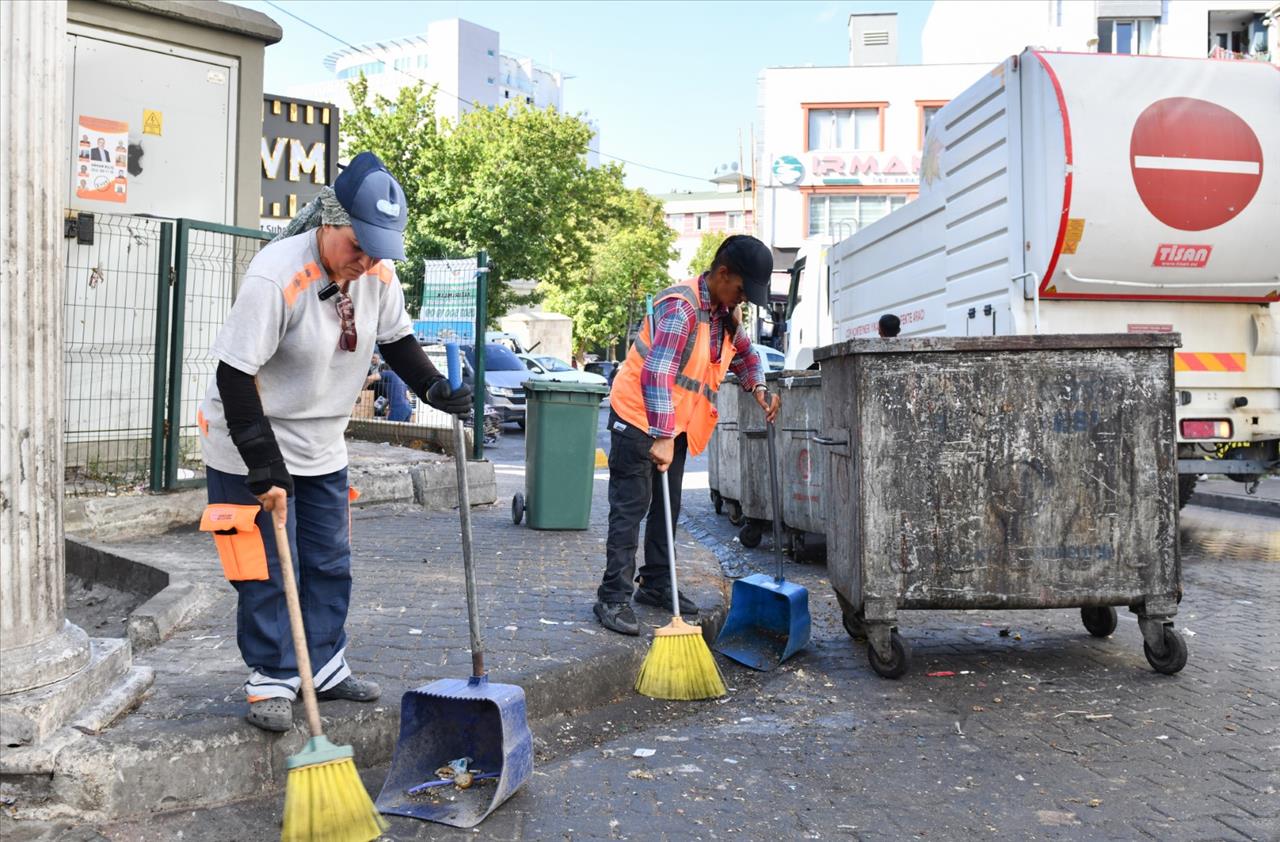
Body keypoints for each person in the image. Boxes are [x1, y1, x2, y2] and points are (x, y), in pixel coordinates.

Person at [197, 151, 473, 732]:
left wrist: (432, 387)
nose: (367, 259)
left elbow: (396, 340)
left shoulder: (375, 271)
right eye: (358, 245)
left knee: (327, 560)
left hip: (322, 443)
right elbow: (233, 374)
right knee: (267, 569)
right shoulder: (277, 275)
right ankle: (272, 678)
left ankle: (322, 666)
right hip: (251, 437)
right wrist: (264, 464)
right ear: (329, 222)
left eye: (378, 247)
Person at [594, 234, 781, 635]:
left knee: (668, 507)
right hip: (638, 418)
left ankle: (657, 584)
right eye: (742, 290)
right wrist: (661, 435)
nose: (743, 300)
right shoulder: (682, 308)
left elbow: (747, 356)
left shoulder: (724, 313)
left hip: (671, 425)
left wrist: (758, 388)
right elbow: (657, 374)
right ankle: (612, 597)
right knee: (630, 509)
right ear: (723, 273)